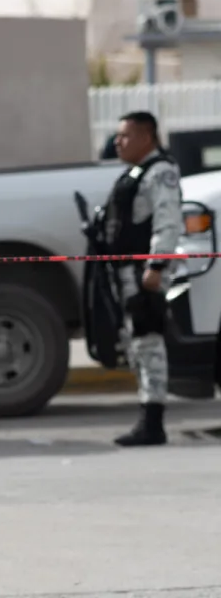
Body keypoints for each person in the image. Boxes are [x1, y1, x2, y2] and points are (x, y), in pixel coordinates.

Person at [102, 110, 182, 446]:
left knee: (149, 343)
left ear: (146, 137)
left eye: (125, 136)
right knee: (138, 344)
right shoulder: (136, 172)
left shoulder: (160, 172)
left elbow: (168, 221)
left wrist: (156, 266)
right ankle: (147, 418)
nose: (117, 142)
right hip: (128, 271)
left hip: (144, 273)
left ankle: (153, 423)